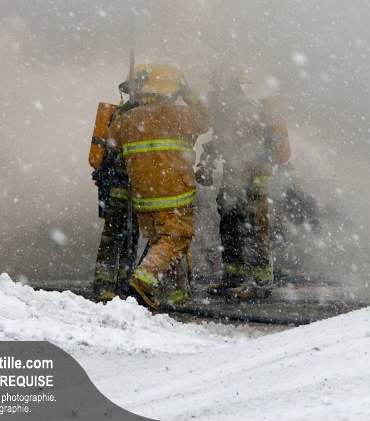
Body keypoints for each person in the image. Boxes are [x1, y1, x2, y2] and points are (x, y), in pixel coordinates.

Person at [106, 64, 211, 309]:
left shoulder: (128, 119)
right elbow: (207, 118)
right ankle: (142, 282)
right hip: (174, 193)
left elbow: (111, 142)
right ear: (171, 90)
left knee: (162, 242)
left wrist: (126, 113)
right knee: (176, 238)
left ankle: (176, 296)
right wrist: (189, 94)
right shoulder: (180, 115)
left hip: (143, 197)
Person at [195, 65, 291, 299]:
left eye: (217, 86)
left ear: (228, 88)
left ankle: (261, 285)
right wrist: (208, 159)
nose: (213, 92)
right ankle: (233, 279)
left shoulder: (244, 111)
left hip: (252, 181)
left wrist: (248, 189)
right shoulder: (228, 111)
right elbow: (225, 142)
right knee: (230, 228)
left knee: (256, 228)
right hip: (235, 181)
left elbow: (252, 152)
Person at [89, 73, 141, 302]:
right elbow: (114, 146)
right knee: (114, 235)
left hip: (135, 185)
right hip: (121, 184)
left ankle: (122, 282)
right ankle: (103, 285)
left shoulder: (136, 113)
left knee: (130, 235)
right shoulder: (125, 114)